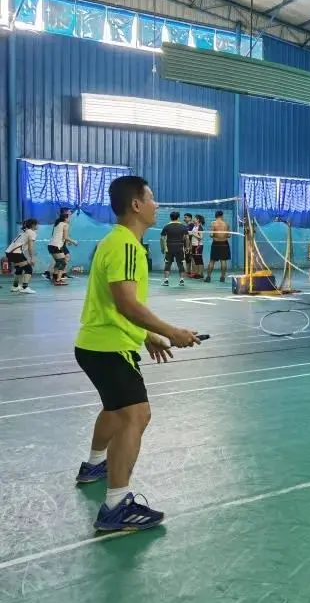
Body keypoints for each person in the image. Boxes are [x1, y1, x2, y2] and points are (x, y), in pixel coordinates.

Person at [73, 175, 201, 532]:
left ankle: (94, 465)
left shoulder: (114, 241)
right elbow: (126, 304)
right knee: (136, 415)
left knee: (116, 410)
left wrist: (146, 335)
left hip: (96, 345)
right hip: (110, 347)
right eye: (152, 198)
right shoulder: (127, 246)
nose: (156, 205)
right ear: (136, 205)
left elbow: (113, 304)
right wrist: (171, 332)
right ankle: (116, 508)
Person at [5, 219, 39, 295]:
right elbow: (30, 247)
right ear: (33, 225)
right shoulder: (32, 232)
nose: (38, 226)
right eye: (37, 224)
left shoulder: (25, 232)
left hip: (10, 252)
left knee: (19, 269)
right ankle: (24, 287)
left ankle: (15, 286)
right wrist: (32, 258)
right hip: (15, 252)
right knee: (28, 269)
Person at [160, 211, 187, 286]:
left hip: (169, 247)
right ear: (178, 218)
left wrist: (162, 248)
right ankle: (182, 281)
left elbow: (162, 238)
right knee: (180, 264)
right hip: (179, 247)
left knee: (167, 264)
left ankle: (166, 281)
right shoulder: (183, 226)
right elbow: (187, 238)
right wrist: (187, 247)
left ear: (170, 217)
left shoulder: (166, 226)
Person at [205, 210, 230, 283]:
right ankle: (222, 277)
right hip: (224, 243)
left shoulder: (213, 223)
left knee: (212, 260)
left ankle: (208, 277)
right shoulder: (226, 224)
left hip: (216, 243)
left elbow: (211, 235)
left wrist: (215, 236)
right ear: (222, 216)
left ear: (215, 216)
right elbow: (229, 235)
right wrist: (223, 236)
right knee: (223, 260)